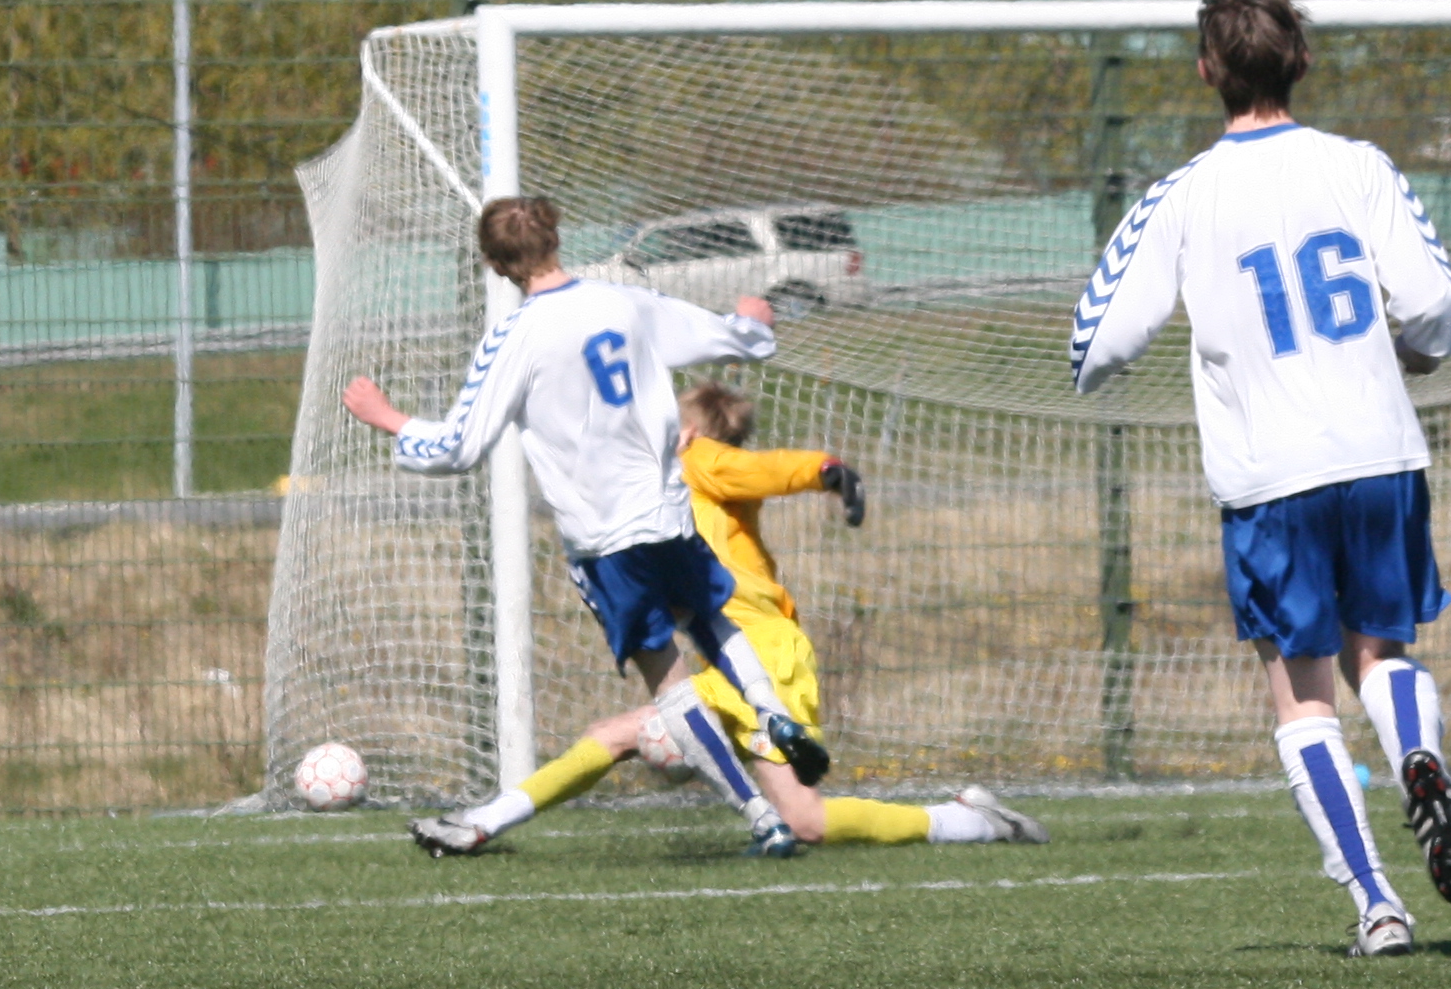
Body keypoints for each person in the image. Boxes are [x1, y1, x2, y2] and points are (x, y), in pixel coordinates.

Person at [1069, 0, 1451, 956]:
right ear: (1302, 61)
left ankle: (1377, 905)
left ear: (1205, 70)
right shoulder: (1360, 166)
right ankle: (1419, 758)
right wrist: (1417, 352)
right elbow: (1432, 304)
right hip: (1379, 452)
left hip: (1270, 478)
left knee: (1302, 698)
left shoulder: (1182, 195)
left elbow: (1099, 341)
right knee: (1382, 654)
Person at [341, 192, 825, 858]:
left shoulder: (516, 336)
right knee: (712, 617)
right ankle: (772, 713)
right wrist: (753, 323)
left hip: (605, 540)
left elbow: (458, 446)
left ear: (494, 264)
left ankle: (761, 817)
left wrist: (389, 418)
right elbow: (731, 337)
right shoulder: (625, 301)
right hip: (668, 513)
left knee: (669, 684)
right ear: (556, 239)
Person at [486, 380, 1047, 849]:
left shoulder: (697, 461)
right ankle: (971, 821)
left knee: (614, 734)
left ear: (690, 432)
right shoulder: (663, 488)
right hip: (753, 654)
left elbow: (766, 467)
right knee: (807, 821)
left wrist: (825, 471)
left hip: (762, 651)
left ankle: (482, 823)